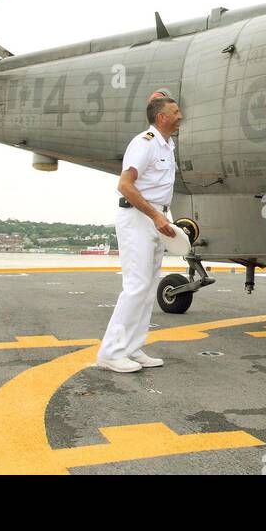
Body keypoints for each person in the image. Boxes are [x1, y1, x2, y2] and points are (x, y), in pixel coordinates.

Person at [96, 94, 184, 373]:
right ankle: (111, 352)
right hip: (139, 218)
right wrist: (155, 215)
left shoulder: (167, 146)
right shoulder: (143, 143)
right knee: (136, 286)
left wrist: (162, 216)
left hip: (156, 218)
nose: (180, 115)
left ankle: (132, 348)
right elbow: (125, 185)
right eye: (175, 111)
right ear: (162, 118)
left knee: (147, 288)